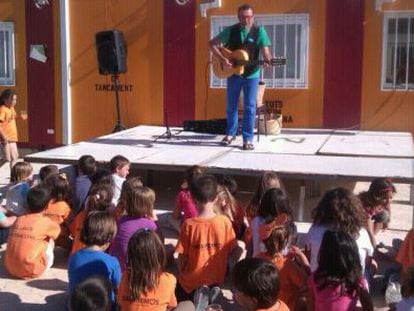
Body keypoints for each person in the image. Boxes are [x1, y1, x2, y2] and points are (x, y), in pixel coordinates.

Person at [209, 3, 273, 150]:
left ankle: (247, 138)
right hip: (234, 74)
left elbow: (266, 52)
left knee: (250, 107)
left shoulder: (260, 31)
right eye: (243, 17)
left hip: (252, 74)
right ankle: (230, 134)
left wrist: (267, 59)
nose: (246, 20)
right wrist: (222, 59)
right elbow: (212, 44)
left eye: (249, 17)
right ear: (238, 17)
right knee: (231, 105)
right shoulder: (231, 31)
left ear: (253, 17)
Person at [175, 175, 237, 303]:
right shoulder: (224, 222)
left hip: (191, 283)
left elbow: (182, 256)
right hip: (215, 278)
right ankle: (209, 296)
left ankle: (198, 298)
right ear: (216, 199)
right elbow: (232, 249)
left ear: (193, 199)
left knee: (178, 294)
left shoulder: (189, 224)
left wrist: (180, 271)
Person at [303, 187, 374, 276]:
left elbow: (308, 256)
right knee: (373, 266)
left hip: (319, 283)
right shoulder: (361, 233)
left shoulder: (315, 230)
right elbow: (368, 260)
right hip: (352, 283)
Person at [307, 229, 373, 311]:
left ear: (324, 255)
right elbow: (369, 308)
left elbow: (310, 307)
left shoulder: (315, 279)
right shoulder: (357, 281)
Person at [68, 210, 121, 310]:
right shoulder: (112, 262)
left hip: (76, 306)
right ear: (109, 239)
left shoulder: (74, 256)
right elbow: (117, 286)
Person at [4, 185, 61, 278]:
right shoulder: (45, 222)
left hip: (10, 268)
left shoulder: (19, 219)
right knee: (50, 240)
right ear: (47, 206)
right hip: (33, 270)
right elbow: (57, 234)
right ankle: (43, 265)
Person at [256, 213, 310, 310]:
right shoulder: (287, 265)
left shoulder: (257, 259)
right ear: (285, 241)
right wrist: (302, 257)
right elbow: (307, 282)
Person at [117, 228, 178, 310]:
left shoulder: (124, 277)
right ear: (159, 253)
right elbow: (172, 305)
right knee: (188, 305)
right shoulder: (169, 280)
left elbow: (120, 302)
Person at [109, 186, 158, 271]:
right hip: (133, 268)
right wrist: (155, 221)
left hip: (116, 264)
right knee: (169, 249)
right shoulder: (150, 224)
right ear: (148, 206)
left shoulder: (121, 220)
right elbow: (159, 244)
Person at [251, 188, 296, 257]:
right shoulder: (258, 221)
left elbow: (287, 247)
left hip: (281, 261)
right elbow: (262, 240)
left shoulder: (287, 222)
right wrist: (275, 223)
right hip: (261, 261)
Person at [69, 184, 114, 254]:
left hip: (76, 256)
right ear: (109, 205)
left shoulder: (81, 215)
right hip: (94, 260)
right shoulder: (107, 222)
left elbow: (72, 231)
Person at [359, 178, 396, 248]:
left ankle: (371, 238)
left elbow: (388, 207)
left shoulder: (383, 201)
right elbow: (368, 223)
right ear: (375, 196)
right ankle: (368, 240)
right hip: (357, 219)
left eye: (391, 198)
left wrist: (387, 221)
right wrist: (373, 242)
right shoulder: (366, 204)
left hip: (370, 216)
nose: (388, 201)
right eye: (385, 198)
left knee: (384, 215)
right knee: (368, 235)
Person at [0, 89, 27, 169]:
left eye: (15, 99)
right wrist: (4, 138)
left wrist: (20, 117)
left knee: (15, 158)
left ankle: (14, 178)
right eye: (12, 99)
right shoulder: (2, 109)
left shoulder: (11, 108)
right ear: (5, 99)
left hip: (12, 138)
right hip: (5, 139)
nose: (14, 101)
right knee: (7, 159)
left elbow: (11, 118)